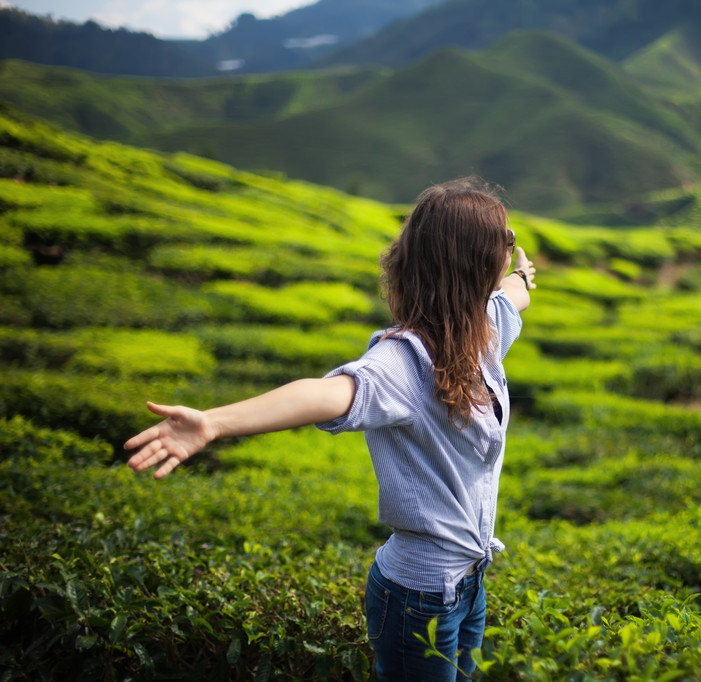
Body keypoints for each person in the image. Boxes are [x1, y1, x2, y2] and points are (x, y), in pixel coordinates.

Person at [124, 177, 537, 681]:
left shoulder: (483, 331)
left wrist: (519, 275)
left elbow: (514, 295)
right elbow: (325, 394)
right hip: (418, 598)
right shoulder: (401, 362)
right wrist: (213, 423)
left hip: (470, 585)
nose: (511, 244)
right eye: (505, 238)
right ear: (472, 261)